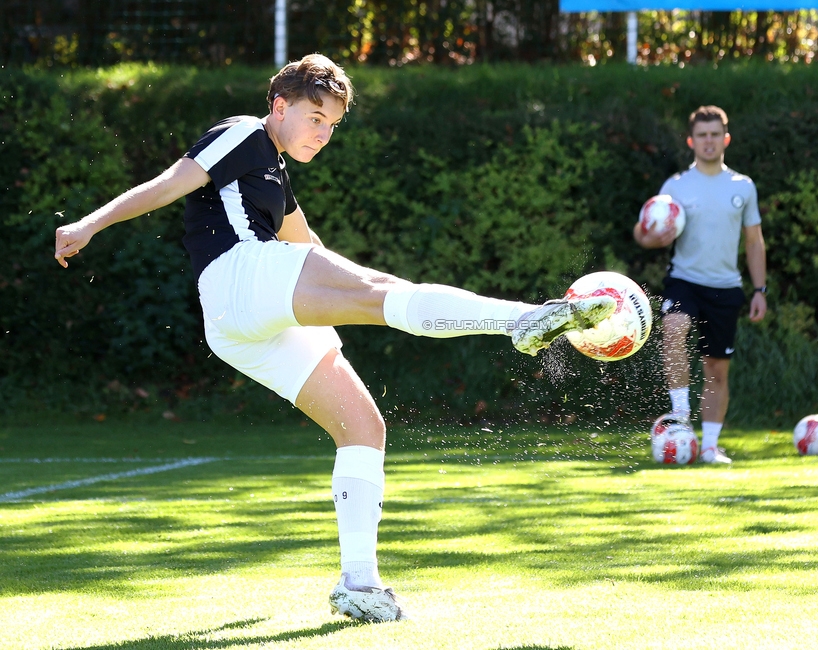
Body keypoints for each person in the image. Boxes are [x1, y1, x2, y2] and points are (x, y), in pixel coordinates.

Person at [53, 53, 616, 623]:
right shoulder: (245, 133)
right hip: (238, 276)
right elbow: (171, 183)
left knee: (364, 426)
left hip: (238, 325)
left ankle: (359, 585)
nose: (322, 133)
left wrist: (354, 289)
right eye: (314, 116)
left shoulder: (275, 174)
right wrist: (88, 224)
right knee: (379, 291)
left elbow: (311, 246)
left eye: (332, 124)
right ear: (279, 105)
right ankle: (521, 320)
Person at [633, 105, 767, 465]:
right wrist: (649, 236)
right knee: (674, 327)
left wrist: (760, 290)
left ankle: (709, 446)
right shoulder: (675, 186)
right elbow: (645, 231)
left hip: (725, 287)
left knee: (716, 370)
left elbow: (754, 241)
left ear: (725, 139)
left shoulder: (743, 186)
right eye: (702, 135)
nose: (708, 141)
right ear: (692, 141)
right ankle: (680, 415)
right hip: (684, 280)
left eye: (714, 135)